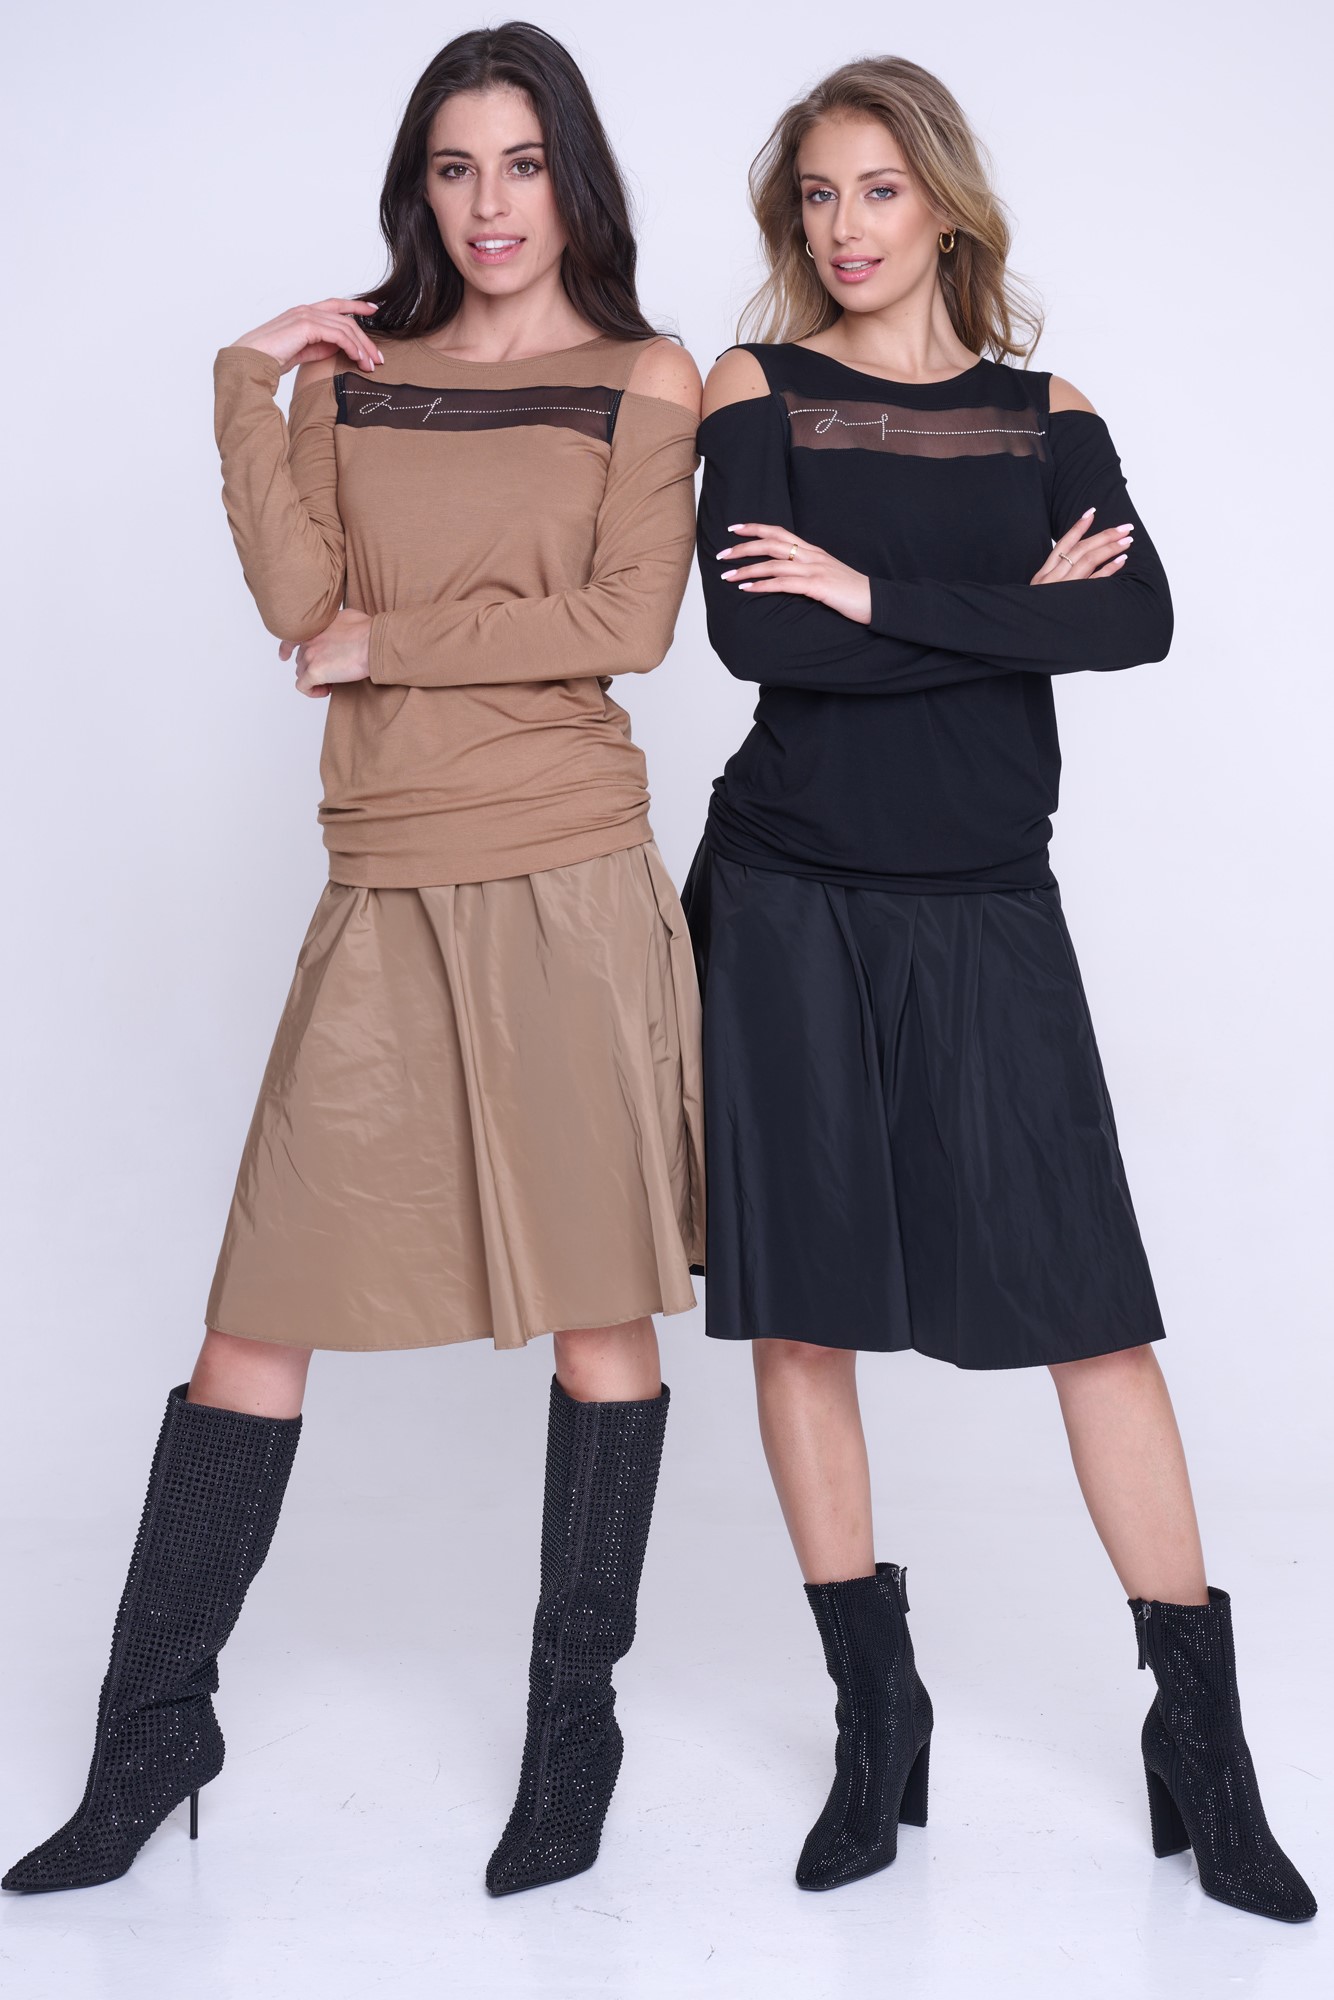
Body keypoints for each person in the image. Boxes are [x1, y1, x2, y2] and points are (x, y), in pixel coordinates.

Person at [4, 22, 704, 1901]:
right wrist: (244, 381)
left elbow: (627, 623)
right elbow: (298, 605)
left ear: (572, 177)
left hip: (568, 873)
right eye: (455, 168)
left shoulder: (647, 376)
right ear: (421, 188)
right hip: (384, 871)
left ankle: (572, 1739)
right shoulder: (353, 376)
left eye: (522, 163)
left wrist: (399, 648)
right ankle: (152, 1735)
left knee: (601, 1317)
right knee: (255, 1316)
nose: (489, 203)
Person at [682, 54, 1315, 1923]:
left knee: (1088, 1318)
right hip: (787, 891)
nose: (844, 228)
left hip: (982, 899)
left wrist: (873, 600)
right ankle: (874, 1723)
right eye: (816, 195)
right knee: (801, 1318)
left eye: (877, 190)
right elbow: (751, 634)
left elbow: (1132, 619)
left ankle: (1204, 1751)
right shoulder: (752, 388)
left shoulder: (1050, 413)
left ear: (945, 203)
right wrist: (1000, 618)